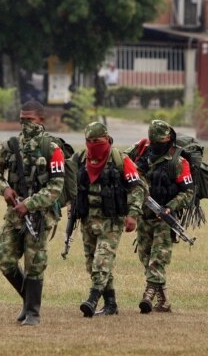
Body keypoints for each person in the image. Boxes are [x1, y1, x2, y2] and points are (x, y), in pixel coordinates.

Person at [0, 100, 65, 326]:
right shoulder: (10, 146)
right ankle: (28, 299)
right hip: (15, 213)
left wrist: (30, 204)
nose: (25, 125)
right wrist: (5, 189)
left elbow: (56, 187)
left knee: (34, 262)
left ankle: (33, 312)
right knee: (4, 259)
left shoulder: (52, 148)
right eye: (22, 120)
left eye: (29, 120)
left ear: (41, 120)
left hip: (39, 215)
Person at [73, 122, 146, 317]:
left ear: (106, 138)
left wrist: (133, 214)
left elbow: (137, 189)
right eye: (88, 141)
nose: (92, 144)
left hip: (112, 221)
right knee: (92, 263)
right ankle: (111, 303)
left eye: (96, 141)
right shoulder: (80, 159)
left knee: (102, 260)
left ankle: (92, 299)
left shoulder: (121, 160)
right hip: (88, 220)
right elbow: (68, 184)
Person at [125, 120, 193, 314]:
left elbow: (188, 192)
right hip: (144, 216)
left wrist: (170, 207)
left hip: (165, 218)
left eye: (161, 140)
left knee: (158, 258)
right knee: (145, 256)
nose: (157, 144)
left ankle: (148, 295)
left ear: (169, 139)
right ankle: (163, 302)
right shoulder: (141, 153)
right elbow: (122, 163)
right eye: (154, 140)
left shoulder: (178, 162)